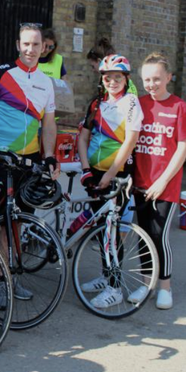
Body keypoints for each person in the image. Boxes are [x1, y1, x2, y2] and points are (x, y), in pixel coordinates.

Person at [0, 23, 60, 310]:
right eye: (26, 44)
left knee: (20, 221)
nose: (31, 50)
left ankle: (11, 275)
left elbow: (48, 123)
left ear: (44, 47)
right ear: (18, 45)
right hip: (1, 158)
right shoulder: (1, 73)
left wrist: (48, 155)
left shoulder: (46, 82)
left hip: (30, 160)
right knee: (4, 222)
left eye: (36, 45)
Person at [132, 53, 186, 310]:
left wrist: (162, 182)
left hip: (165, 186)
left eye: (157, 79)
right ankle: (145, 283)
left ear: (169, 77)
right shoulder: (138, 105)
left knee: (159, 236)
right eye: (147, 79)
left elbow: (183, 149)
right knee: (142, 235)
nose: (152, 84)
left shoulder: (180, 107)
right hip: (140, 183)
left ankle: (165, 286)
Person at [77, 54, 143, 309]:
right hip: (93, 172)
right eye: (107, 77)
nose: (112, 81)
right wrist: (85, 168)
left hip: (117, 176)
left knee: (112, 232)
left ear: (126, 79)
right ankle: (106, 277)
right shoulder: (96, 104)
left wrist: (110, 174)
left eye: (117, 77)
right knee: (100, 230)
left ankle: (115, 287)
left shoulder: (131, 103)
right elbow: (83, 138)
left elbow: (130, 142)